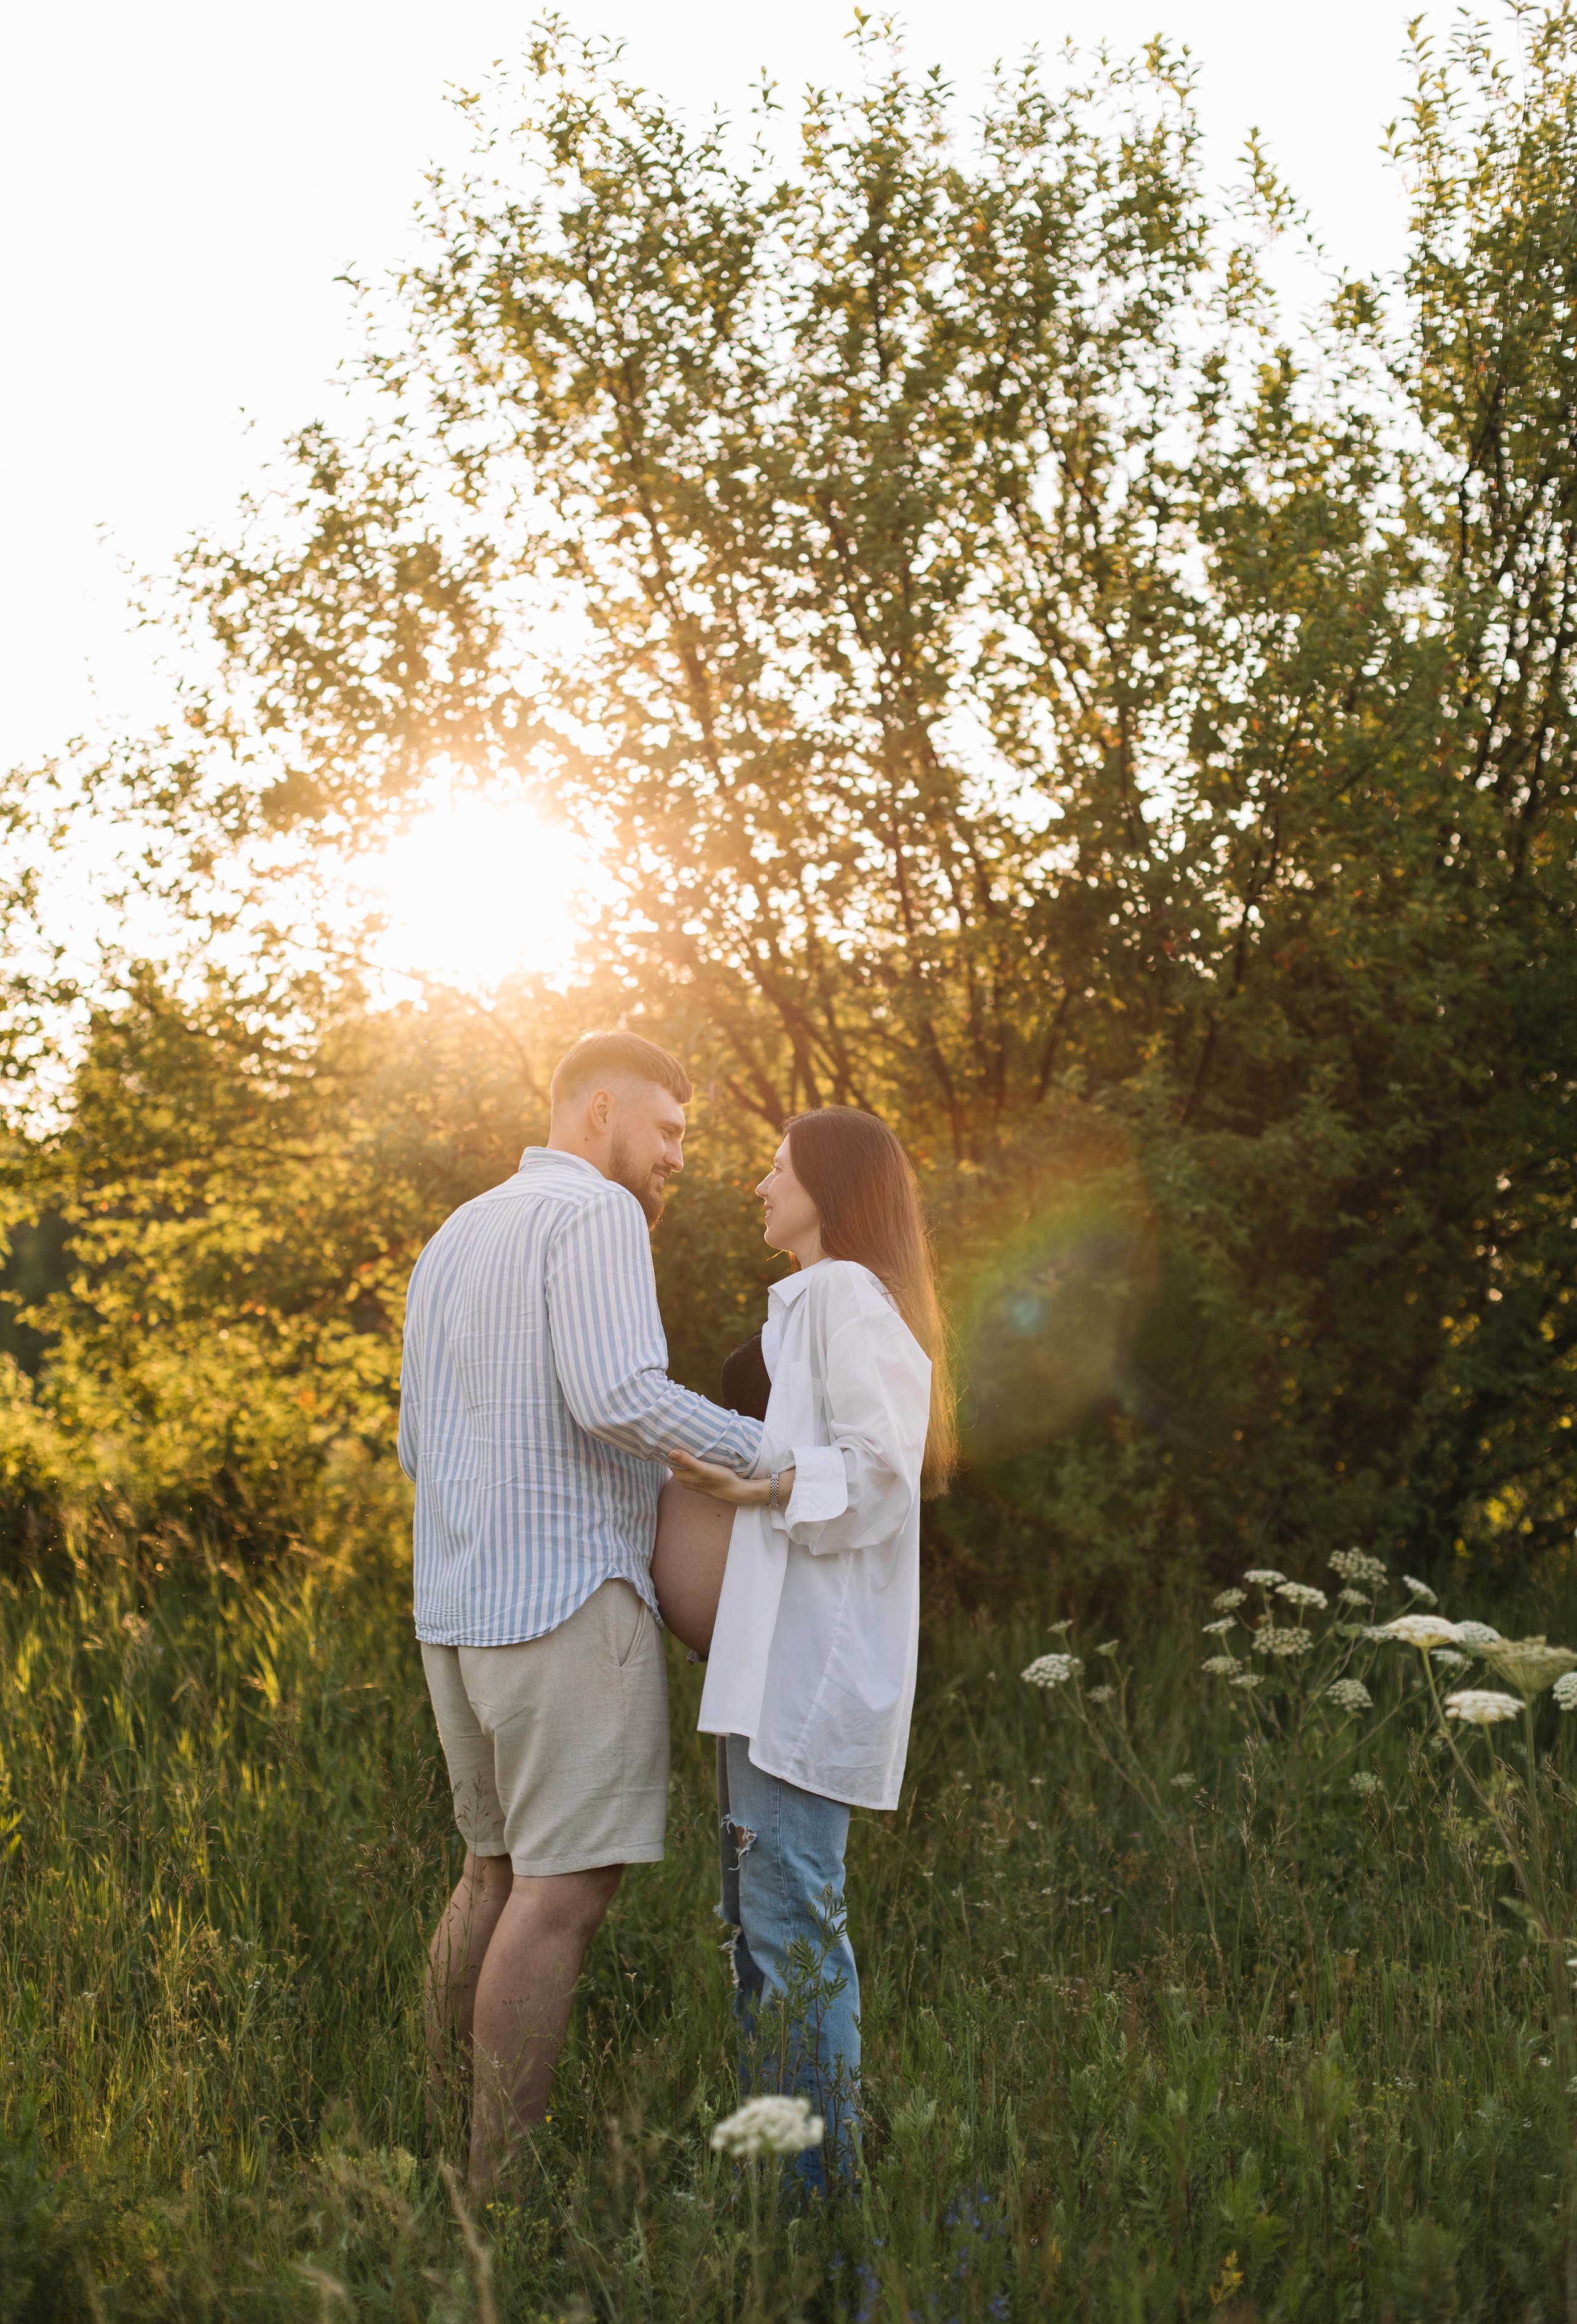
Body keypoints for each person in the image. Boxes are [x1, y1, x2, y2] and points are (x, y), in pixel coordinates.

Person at [398, 1031, 764, 2193]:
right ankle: (499, 2198)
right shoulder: (592, 1217)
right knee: (562, 1896)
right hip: (564, 1604)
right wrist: (778, 1456)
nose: (677, 1161)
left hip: (456, 1611)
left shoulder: (458, 1232)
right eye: (668, 1132)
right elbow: (617, 1394)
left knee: (490, 1876)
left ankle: (445, 2145)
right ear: (600, 1111)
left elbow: (415, 1438)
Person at [665, 1105, 955, 2195]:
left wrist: (764, 1485)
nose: (756, 1186)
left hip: (805, 1677)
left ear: (830, 1188)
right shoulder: (808, 1309)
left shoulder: (844, 1295)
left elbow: (883, 1469)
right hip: (766, 1675)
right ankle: (783, 2183)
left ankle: (817, 2210)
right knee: (762, 1938)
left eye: (775, 1169)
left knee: (789, 1940)